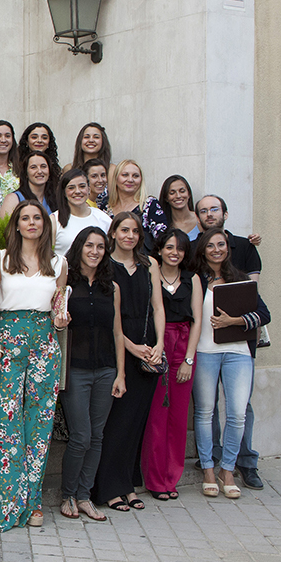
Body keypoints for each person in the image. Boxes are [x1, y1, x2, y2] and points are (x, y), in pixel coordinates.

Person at [0, 200, 68, 531]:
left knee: (40, 427)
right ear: (15, 224)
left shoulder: (59, 262)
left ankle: (32, 502)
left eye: (37, 218)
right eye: (25, 218)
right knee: (7, 425)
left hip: (45, 346)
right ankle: (5, 503)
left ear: (45, 224)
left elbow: (59, 311)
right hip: (9, 346)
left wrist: (61, 320)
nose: (32, 223)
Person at [92, 213, 165, 513]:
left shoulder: (150, 264)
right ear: (113, 232)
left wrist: (159, 344)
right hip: (119, 349)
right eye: (124, 230)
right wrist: (132, 347)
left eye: (135, 231)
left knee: (136, 424)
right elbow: (111, 317)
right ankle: (108, 488)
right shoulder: (105, 265)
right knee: (116, 424)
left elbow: (158, 307)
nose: (130, 236)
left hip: (149, 351)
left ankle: (128, 486)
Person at [193, 227, 270, 500]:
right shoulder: (196, 279)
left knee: (237, 414)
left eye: (222, 244)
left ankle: (228, 469)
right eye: (211, 245)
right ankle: (208, 469)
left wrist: (234, 322)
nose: (217, 249)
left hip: (238, 353)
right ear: (203, 249)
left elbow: (264, 314)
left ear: (228, 248)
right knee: (204, 412)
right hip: (205, 352)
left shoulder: (239, 278)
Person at [57, 227, 125, 522]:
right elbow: (56, 322)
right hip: (75, 370)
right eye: (89, 245)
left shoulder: (113, 287)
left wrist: (121, 374)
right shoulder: (67, 282)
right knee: (81, 435)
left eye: (100, 247)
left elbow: (118, 332)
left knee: (97, 436)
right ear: (79, 247)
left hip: (106, 369)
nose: (95, 251)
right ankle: (67, 495)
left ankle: (84, 496)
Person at [142, 229, 202, 500]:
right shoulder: (152, 275)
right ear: (160, 250)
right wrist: (158, 349)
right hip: (159, 345)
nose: (174, 253)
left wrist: (189, 359)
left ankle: (171, 478)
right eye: (169, 247)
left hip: (184, 348)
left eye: (179, 248)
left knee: (177, 419)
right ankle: (154, 480)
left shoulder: (193, 279)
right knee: (156, 417)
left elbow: (197, 320)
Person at [53, 168, 112, 254]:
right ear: (64, 192)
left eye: (82, 186)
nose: (77, 191)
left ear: (89, 189)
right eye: (71, 188)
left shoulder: (103, 218)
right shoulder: (54, 220)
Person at [141, 175, 200, 252]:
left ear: (189, 194)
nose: (178, 196)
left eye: (182, 191)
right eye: (172, 193)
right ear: (166, 198)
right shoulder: (162, 226)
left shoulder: (200, 220)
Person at [0, 150, 60, 217]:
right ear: (26, 173)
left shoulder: (57, 198)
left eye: (43, 166)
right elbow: (4, 226)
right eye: (33, 167)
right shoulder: (14, 199)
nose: (39, 171)